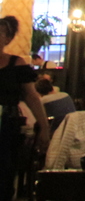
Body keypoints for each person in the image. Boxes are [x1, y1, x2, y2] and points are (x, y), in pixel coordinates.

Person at [0, 16, 49, 201]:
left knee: (4, 175)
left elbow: (31, 97)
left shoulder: (16, 64)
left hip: (6, 125)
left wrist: (44, 126)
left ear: (8, 39)